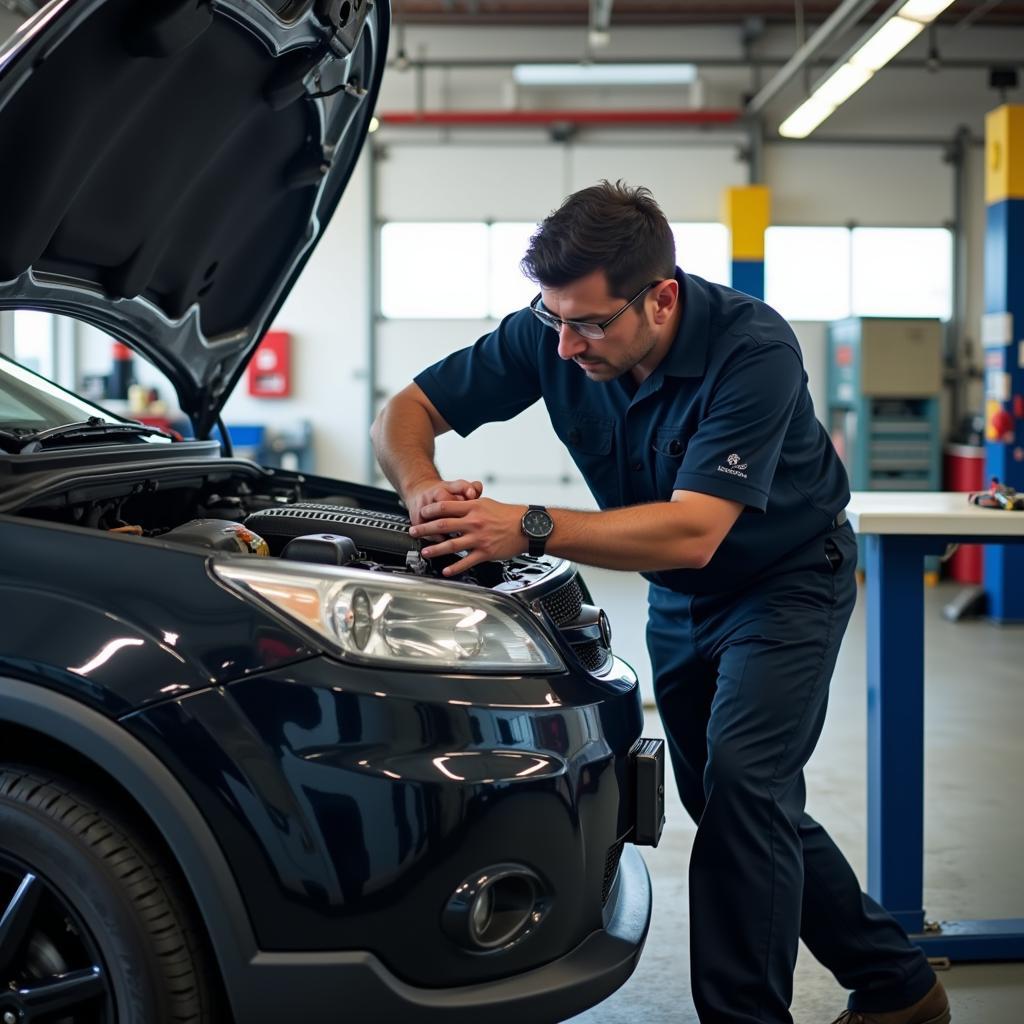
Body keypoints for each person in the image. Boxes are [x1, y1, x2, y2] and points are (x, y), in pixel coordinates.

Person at [370, 180, 950, 1024]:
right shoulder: (552, 331)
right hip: (681, 594)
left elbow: (693, 531)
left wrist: (526, 525)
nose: (566, 346)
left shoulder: (752, 351)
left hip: (785, 578)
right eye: (552, 319)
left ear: (662, 297)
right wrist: (421, 487)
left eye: (591, 324)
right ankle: (898, 986)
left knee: (748, 786)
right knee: (724, 795)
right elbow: (409, 410)